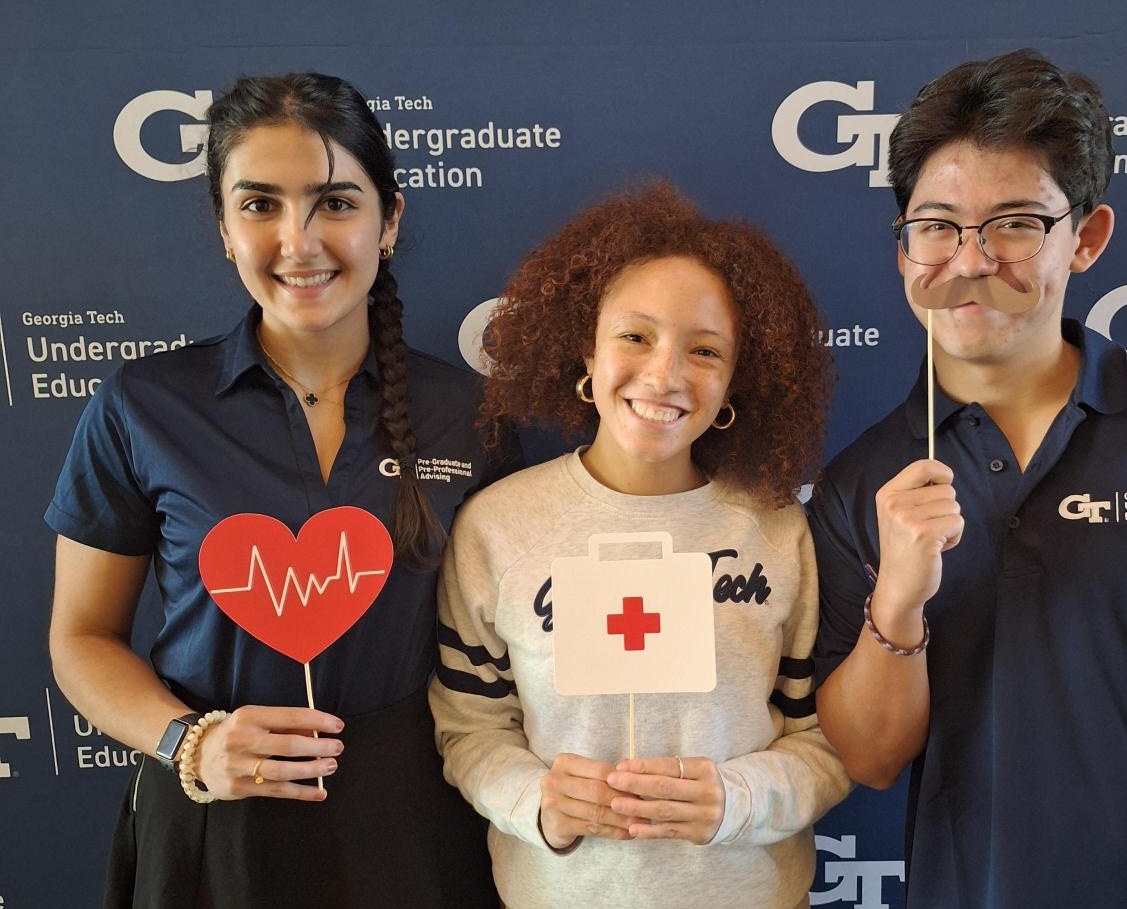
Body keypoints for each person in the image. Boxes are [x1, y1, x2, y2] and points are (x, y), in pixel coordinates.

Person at [45, 72, 516, 908]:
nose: (298, 242)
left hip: (413, 822)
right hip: (211, 823)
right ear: (224, 229)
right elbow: (81, 638)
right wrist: (189, 742)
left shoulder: (468, 416)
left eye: (335, 202)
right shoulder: (143, 404)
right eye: (259, 205)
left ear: (390, 219)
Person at [810, 48, 1127, 908]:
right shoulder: (862, 480)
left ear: (1084, 238)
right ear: (902, 247)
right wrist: (895, 602)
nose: (968, 261)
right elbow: (868, 758)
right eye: (935, 225)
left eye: (1013, 224)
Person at [429, 182, 850, 909]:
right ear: (584, 352)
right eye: (634, 335)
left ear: (733, 384)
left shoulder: (778, 531)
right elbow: (469, 728)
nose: (664, 373)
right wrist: (538, 800)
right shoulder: (496, 527)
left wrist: (738, 799)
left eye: (705, 349)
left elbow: (827, 739)